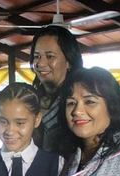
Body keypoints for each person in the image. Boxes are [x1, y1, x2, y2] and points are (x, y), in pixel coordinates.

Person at [30, 25, 83, 155]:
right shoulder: (31, 100)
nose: (40, 64)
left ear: (69, 61)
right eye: (37, 56)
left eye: (50, 56)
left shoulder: (79, 104)